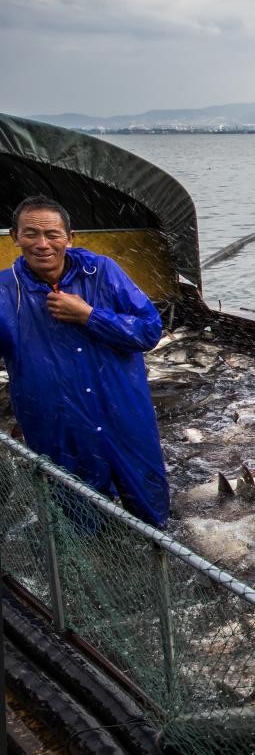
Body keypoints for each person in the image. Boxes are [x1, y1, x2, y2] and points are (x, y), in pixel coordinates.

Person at [0, 196, 170, 528]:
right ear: (15, 237)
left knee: (151, 507)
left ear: (70, 237)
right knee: (80, 516)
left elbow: (149, 330)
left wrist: (90, 316)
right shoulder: (6, 290)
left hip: (124, 415)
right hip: (57, 426)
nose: (43, 244)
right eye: (31, 234)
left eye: (52, 234)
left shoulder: (102, 271)